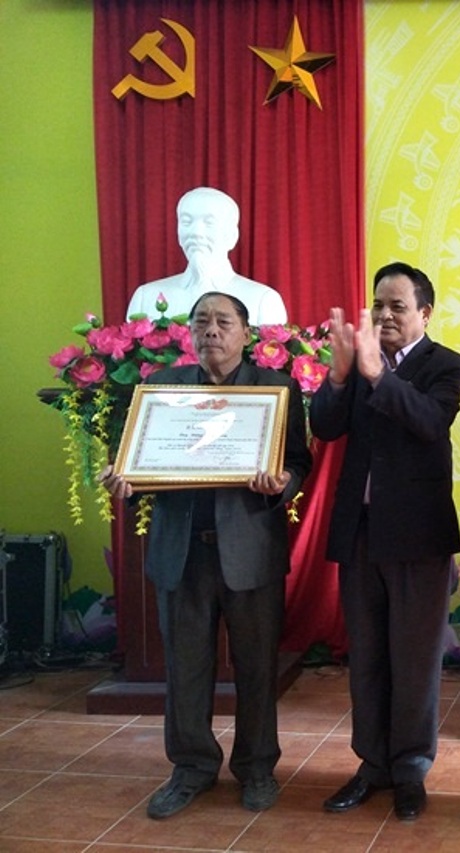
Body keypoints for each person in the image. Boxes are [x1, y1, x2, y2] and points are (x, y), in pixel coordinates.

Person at [98, 291, 312, 819]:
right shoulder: (161, 389)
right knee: (185, 667)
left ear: (246, 333)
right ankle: (191, 766)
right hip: (182, 553)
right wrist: (125, 481)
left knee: (257, 668)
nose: (211, 330)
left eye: (223, 321)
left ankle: (257, 768)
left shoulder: (276, 389)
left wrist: (283, 482)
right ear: (189, 333)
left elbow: (299, 462)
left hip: (251, 552)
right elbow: (140, 463)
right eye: (201, 321)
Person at [310, 261, 460, 822]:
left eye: (397, 306)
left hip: (419, 538)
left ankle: (410, 769)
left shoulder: (447, 364)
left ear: (425, 313)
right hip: (360, 533)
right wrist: (338, 376)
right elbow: (326, 427)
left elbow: (429, 422)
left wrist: (378, 376)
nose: (384, 315)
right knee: (368, 658)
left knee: (415, 661)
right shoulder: (359, 362)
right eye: (378, 305)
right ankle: (372, 764)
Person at [126, 186, 288, 325]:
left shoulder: (263, 300)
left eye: (209, 223)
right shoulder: (146, 297)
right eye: (186, 222)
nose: (196, 233)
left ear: (232, 236)